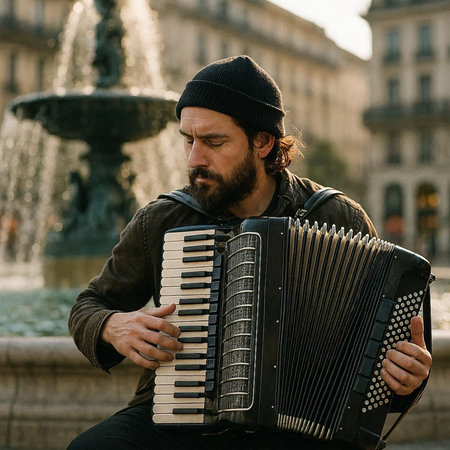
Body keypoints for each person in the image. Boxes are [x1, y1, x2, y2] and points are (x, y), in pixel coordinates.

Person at [67, 55, 432, 450]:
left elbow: (391, 359)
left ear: (263, 141)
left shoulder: (336, 215)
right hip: (183, 421)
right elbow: (88, 305)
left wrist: (408, 377)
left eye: (213, 142)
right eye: (188, 141)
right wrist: (112, 326)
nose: (194, 159)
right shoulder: (164, 219)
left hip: (303, 431)